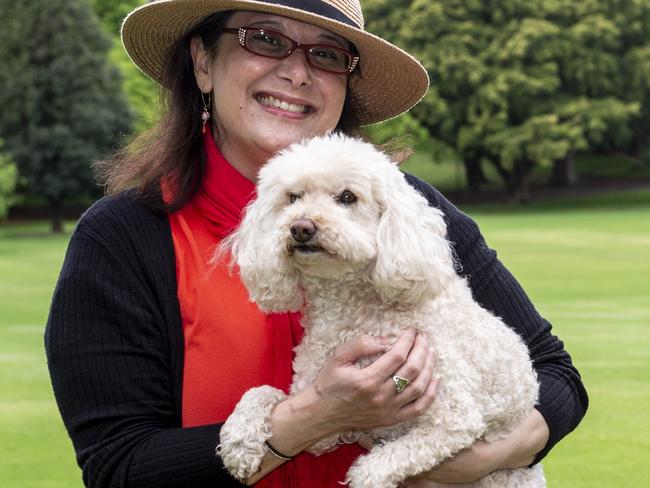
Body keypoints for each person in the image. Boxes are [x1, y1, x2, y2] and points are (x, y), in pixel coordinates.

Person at [45, 1, 588, 487]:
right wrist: (317, 415)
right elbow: (118, 466)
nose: (297, 72)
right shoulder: (122, 238)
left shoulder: (401, 205)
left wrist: (485, 458)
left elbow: (555, 375)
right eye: (265, 39)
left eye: (327, 55)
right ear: (204, 63)